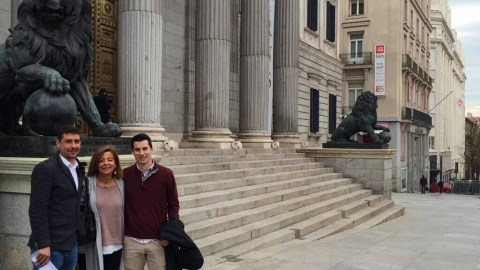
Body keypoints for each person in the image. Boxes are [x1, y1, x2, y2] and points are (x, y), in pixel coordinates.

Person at [28, 126, 83, 270]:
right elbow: (37, 210)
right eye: (68, 141)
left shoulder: (78, 168)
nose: (73, 146)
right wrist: (43, 244)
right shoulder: (45, 169)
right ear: (58, 143)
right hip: (50, 248)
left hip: (71, 245)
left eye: (77, 141)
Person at [122, 133, 180, 270]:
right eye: (137, 150)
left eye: (145, 149)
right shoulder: (125, 175)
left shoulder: (166, 174)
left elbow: (173, 204)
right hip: (132, 241)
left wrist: (170, 234)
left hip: (158, 241)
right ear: (132, 152)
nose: (141, 153)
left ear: (151, 149)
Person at [77, 145, 125, 270]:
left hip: (117, 244)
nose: (106, 163)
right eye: (101, 160)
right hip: (92, 243)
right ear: (96, 164)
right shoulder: (86, 184)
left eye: (110, 160)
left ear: (115, 163)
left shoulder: (122, 184)